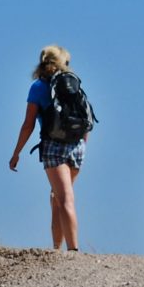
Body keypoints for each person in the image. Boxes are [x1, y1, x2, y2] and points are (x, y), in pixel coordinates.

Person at [7, 45, 89, 251]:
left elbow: (29, 124)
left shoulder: (38, 87)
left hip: (54, 146)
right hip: (77, 146)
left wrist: (16, 152)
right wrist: (81, 145)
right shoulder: (72, 83)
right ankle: (56, 249)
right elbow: (86, 118)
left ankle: (73, 251)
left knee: (64, 198)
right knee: (57, 197)